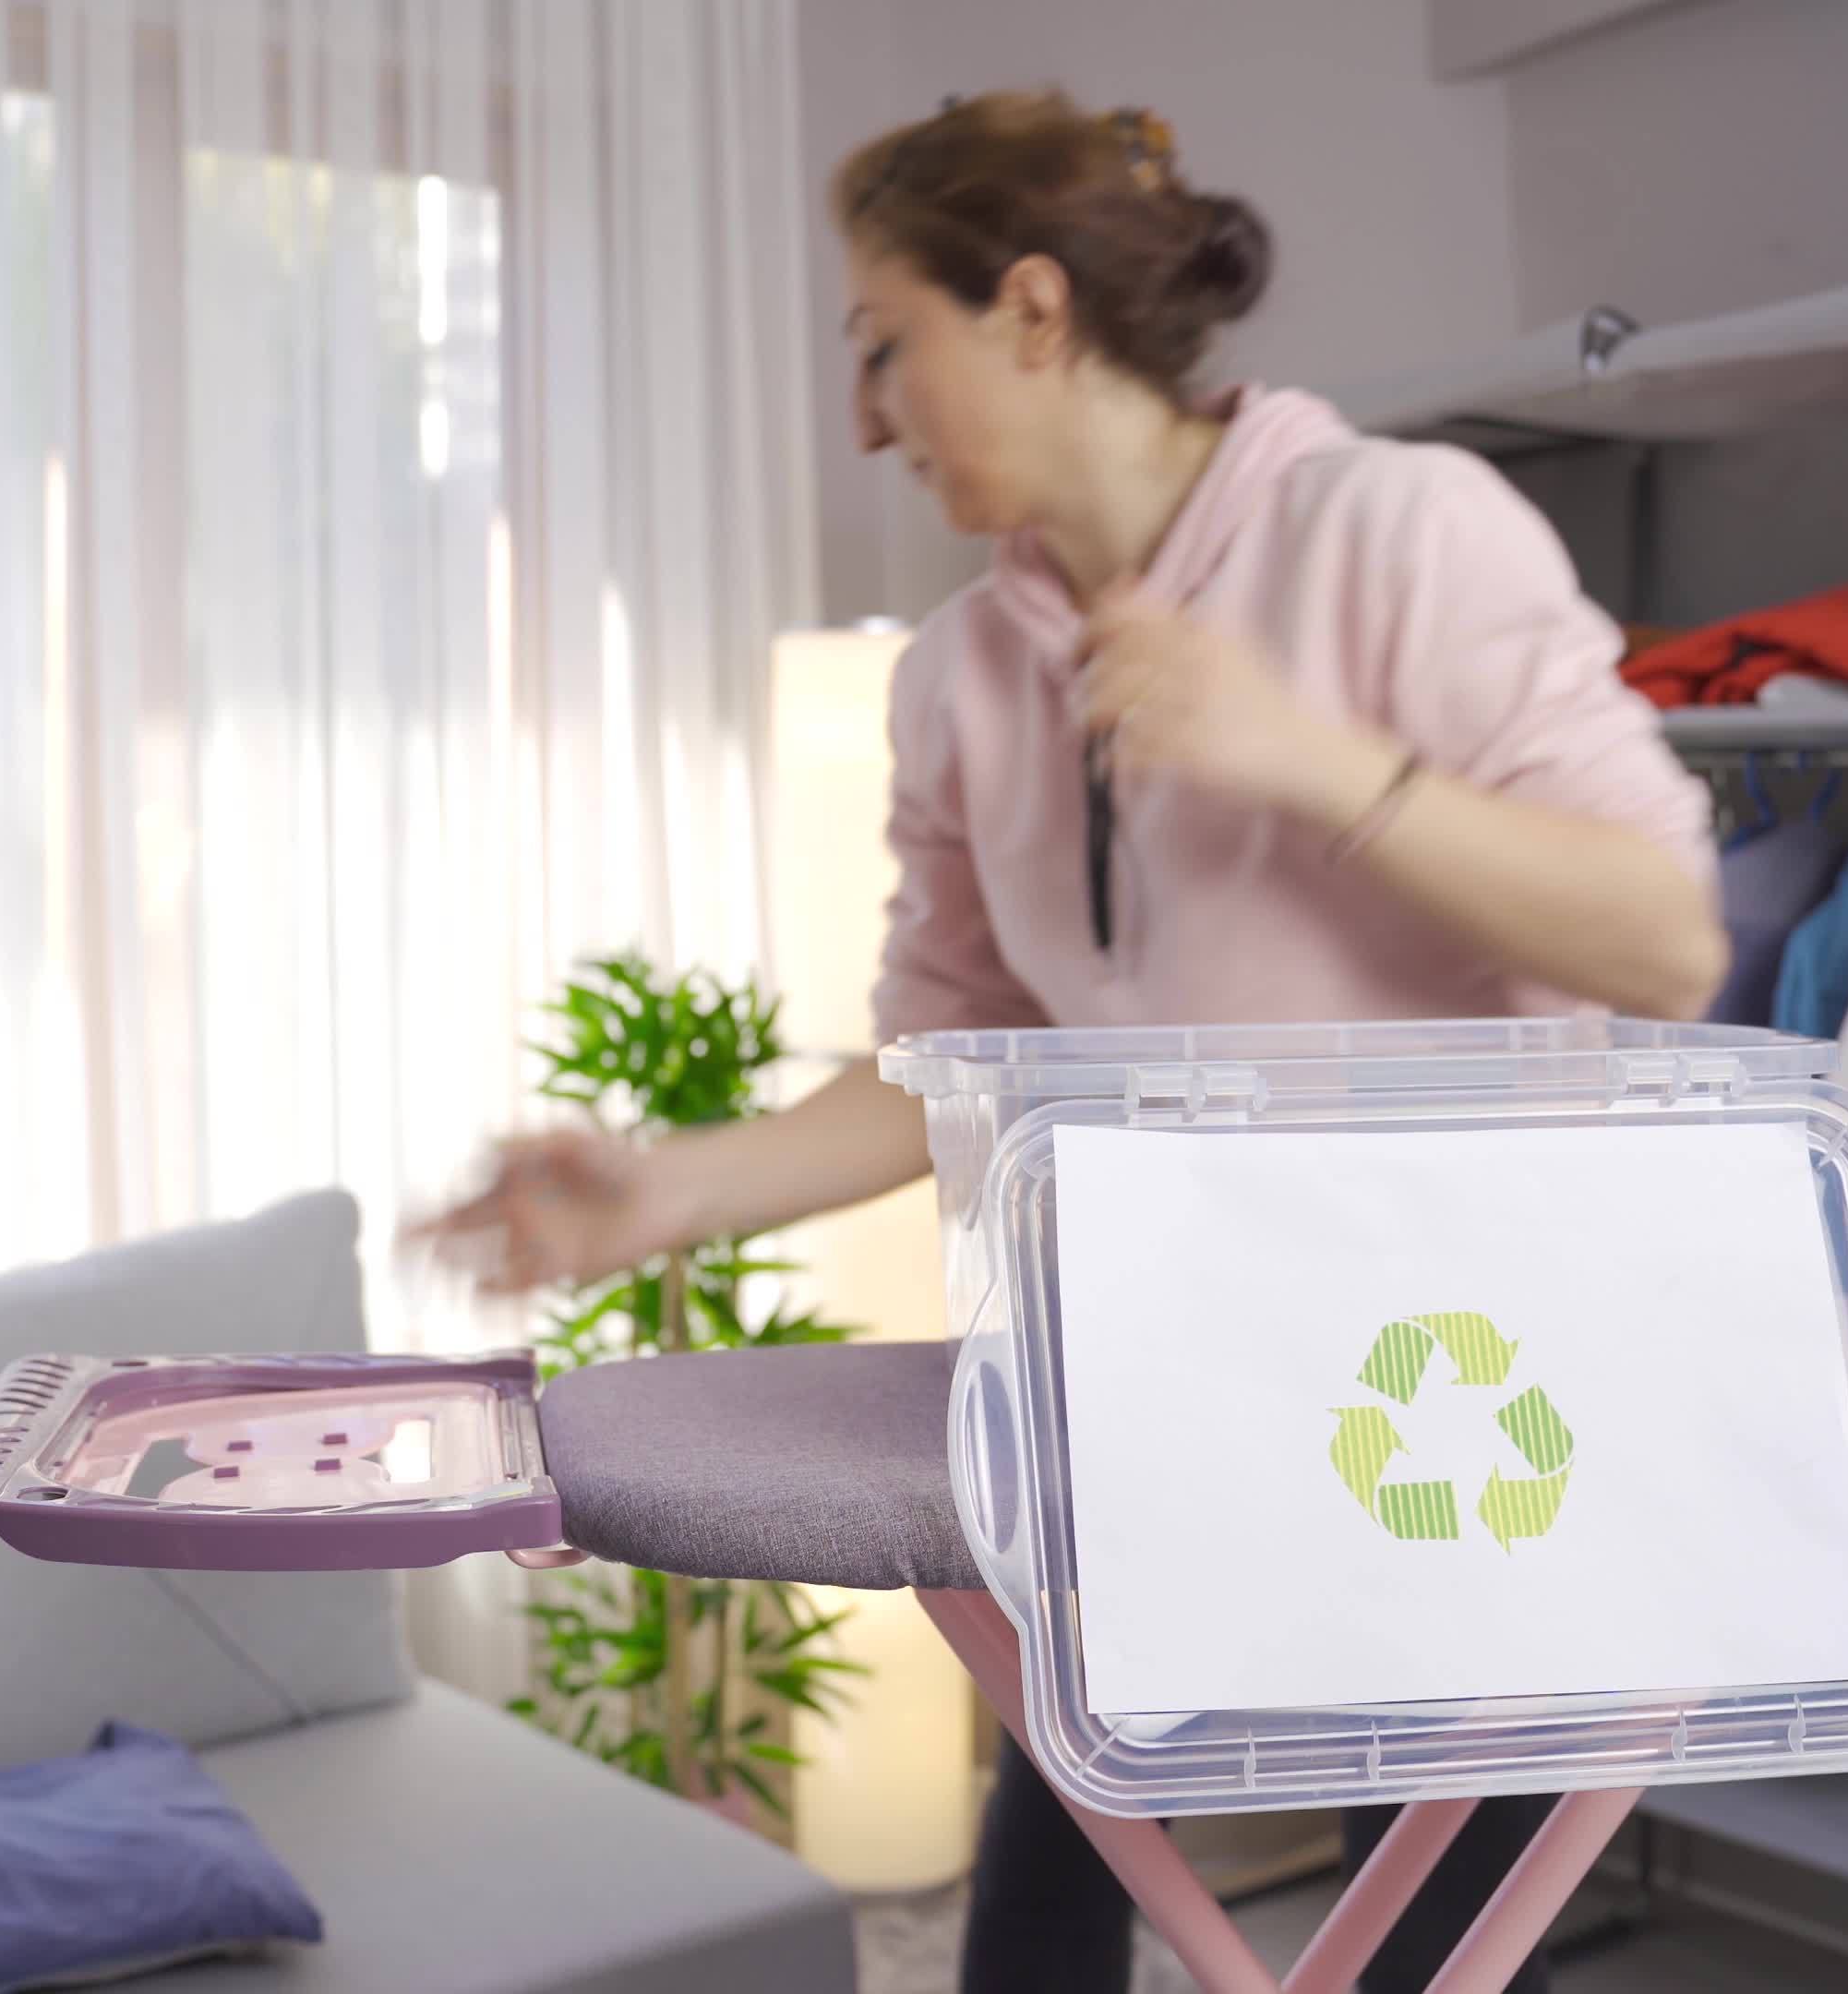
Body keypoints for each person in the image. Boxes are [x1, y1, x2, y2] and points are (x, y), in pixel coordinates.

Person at [415, 90, 1724, 1994]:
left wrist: (1315, 760)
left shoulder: (1401, 530)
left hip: (1466, 1400)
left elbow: (1667, 936)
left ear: (1030, 309)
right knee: (1034, 1937)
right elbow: (942, 1052)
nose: (864, 411)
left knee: (1421, 1953)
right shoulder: (962, 676)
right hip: (1169, 1389)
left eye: (885, 344)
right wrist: (662, 1193)